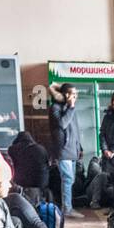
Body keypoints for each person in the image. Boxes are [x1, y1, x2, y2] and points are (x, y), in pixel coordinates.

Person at [48, 83, 83, 218]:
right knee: (67, 179)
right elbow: (62, 124)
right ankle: (67, 209)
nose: (73, 97)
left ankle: (67, 207)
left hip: (72, 149)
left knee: (71, 179)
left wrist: (79, 147)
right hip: (63, 150)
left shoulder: (70, 109)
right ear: (64, 94)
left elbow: (75, 130)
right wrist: (71, 107)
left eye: (75, 94)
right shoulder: (55, 107)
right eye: (70, 93)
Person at [8, 130, 51, 202]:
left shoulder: (13, 149)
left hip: (21, 182)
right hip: (41, 182)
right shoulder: (40, 149)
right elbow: (47, 164)